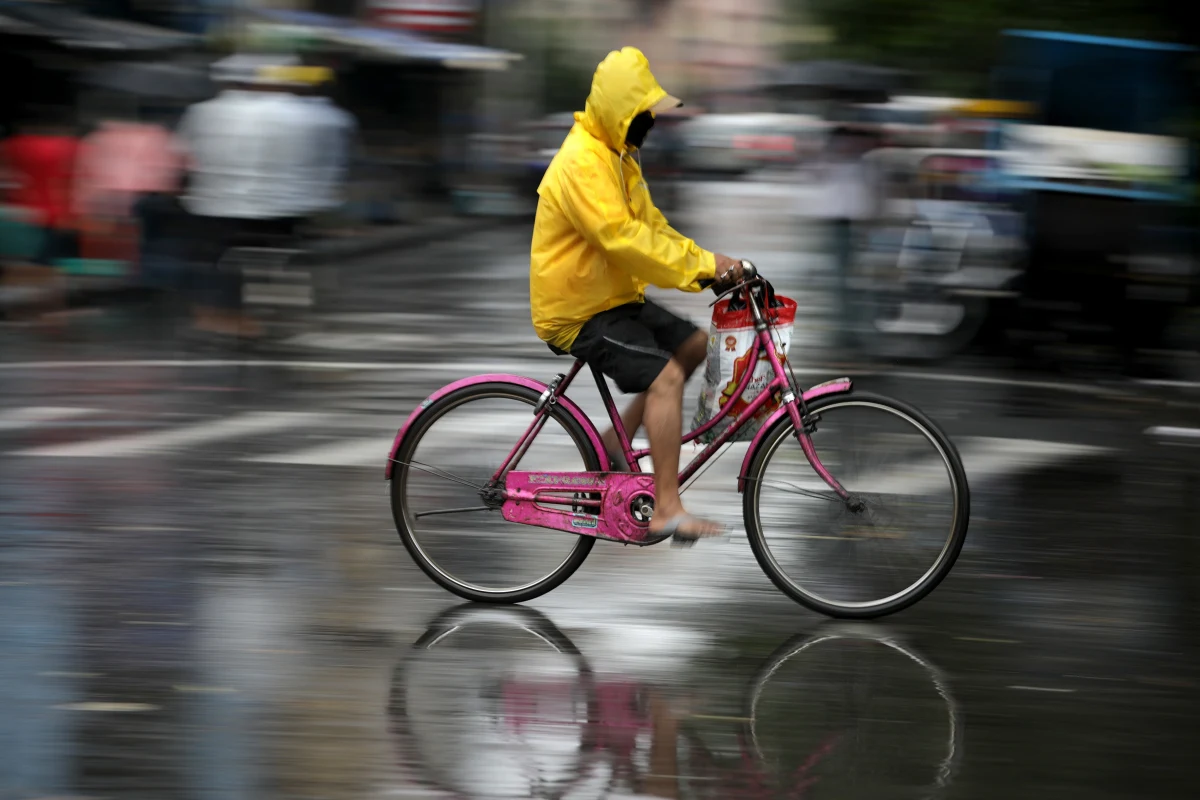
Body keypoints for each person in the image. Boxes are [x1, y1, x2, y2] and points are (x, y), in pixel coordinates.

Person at [529, 47, 743, 542]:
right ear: (618, 112)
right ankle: (667, 507)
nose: (650, 121)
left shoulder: (619, 157)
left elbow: (654, 229)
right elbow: (624, 239)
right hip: (577, 309)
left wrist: (710, 266)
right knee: (666, 378)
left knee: (694, 346)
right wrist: (706, 267)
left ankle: (614, 443)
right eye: (643, 113)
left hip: (611, 298)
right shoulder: (584, 163)